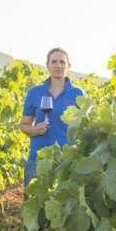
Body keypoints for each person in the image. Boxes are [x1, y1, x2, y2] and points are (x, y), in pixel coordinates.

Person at [20, 47, 85, 188]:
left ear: (68, 66)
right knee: (34, 202)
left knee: (65, 206)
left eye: (62, 62)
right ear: (47, 66)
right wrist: (35, 130)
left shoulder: (78, 94)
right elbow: (24, 125)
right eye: (54, 61)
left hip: (68, 159)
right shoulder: (34, 92)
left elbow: (85, 126)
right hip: (39, 158)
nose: (58, 65)